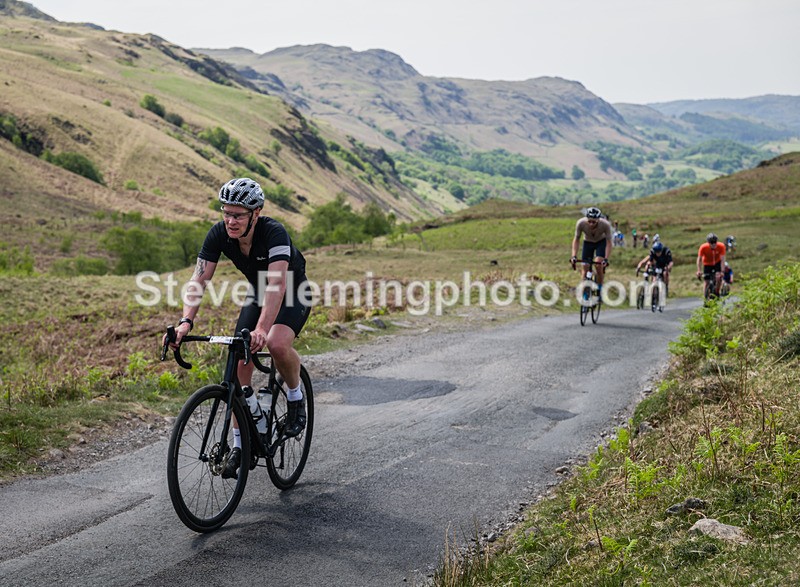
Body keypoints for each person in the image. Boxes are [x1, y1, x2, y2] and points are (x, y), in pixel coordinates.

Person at [165, 177, 311, 479]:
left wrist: (261, 328)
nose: (230, 221)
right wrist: (185, 322)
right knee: (236, 369)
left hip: (293, 291)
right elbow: (198, 281)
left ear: (255, 214)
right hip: (259, 292)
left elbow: (277, 285)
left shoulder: (274, 233)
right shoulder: (219, 234)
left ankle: (296, 399)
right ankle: (239, 446)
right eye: (226, 213)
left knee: (276, 342)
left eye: (238, 215)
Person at [571, 206, 613, 291]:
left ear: (598, 220)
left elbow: (609, 243)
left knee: (598, 264)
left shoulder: (605, 225)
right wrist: (574, 256)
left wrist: (606, 259)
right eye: (589, 221)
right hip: (588, 242)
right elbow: (576, 239)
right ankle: (584, 289)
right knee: (585, 267)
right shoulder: (580, 223)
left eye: (593, 222)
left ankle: (600, 288)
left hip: (601, 242)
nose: (591, 224)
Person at [696, 232, 727, 297]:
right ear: (708, 242)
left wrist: (722, 271)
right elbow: (699, 259)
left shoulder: (721, 246)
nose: (713, 244)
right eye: (711, 242)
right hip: (707, 264)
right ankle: (705, 297)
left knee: (718, 277)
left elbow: (723, 259)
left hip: (717, 263)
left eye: (715, 242)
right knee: (706, 282)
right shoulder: (703, 247)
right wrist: (699, 270)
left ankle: (717, 292)